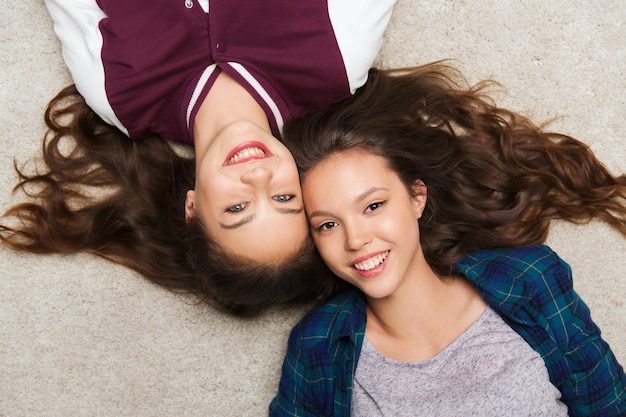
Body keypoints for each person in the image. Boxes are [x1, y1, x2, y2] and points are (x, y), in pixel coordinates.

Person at [269, 63, 626, 416]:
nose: (356, 239)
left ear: (416, 197)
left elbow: (609, 406)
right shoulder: (318, 345)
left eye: (373, 205)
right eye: (328, 225)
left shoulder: (529, 280)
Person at [0, 0, 396, 315]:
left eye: (237, 207)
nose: (257, 176)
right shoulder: (338, 61)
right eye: (283, 199)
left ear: (191, 207)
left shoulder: (117, 95)